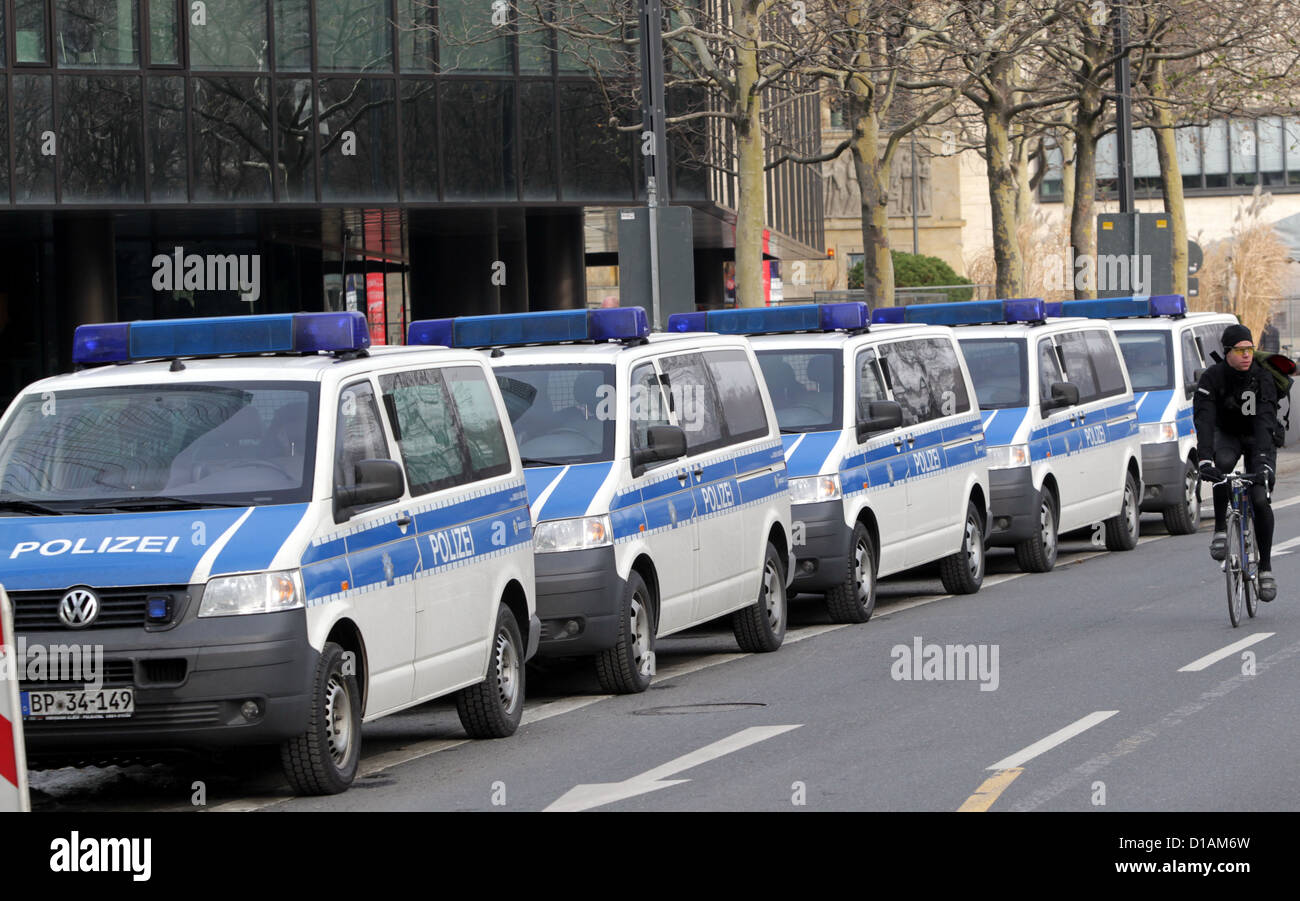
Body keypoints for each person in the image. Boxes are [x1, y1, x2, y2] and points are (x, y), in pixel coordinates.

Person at [1194, 323, 1279, 601]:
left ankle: (1265, 567)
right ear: (1227, 352)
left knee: (1259, 499)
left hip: (1258, 440)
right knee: (1221, 466)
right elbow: (1204, 420)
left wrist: (1264, 462)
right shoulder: (1212, 378)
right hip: (1227, 435)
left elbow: (1266, 421)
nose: (1246, 355)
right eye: (1240, 350)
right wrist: (1204, 458)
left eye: (1250, 350)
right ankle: (1220, 528)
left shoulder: (1263, 378)